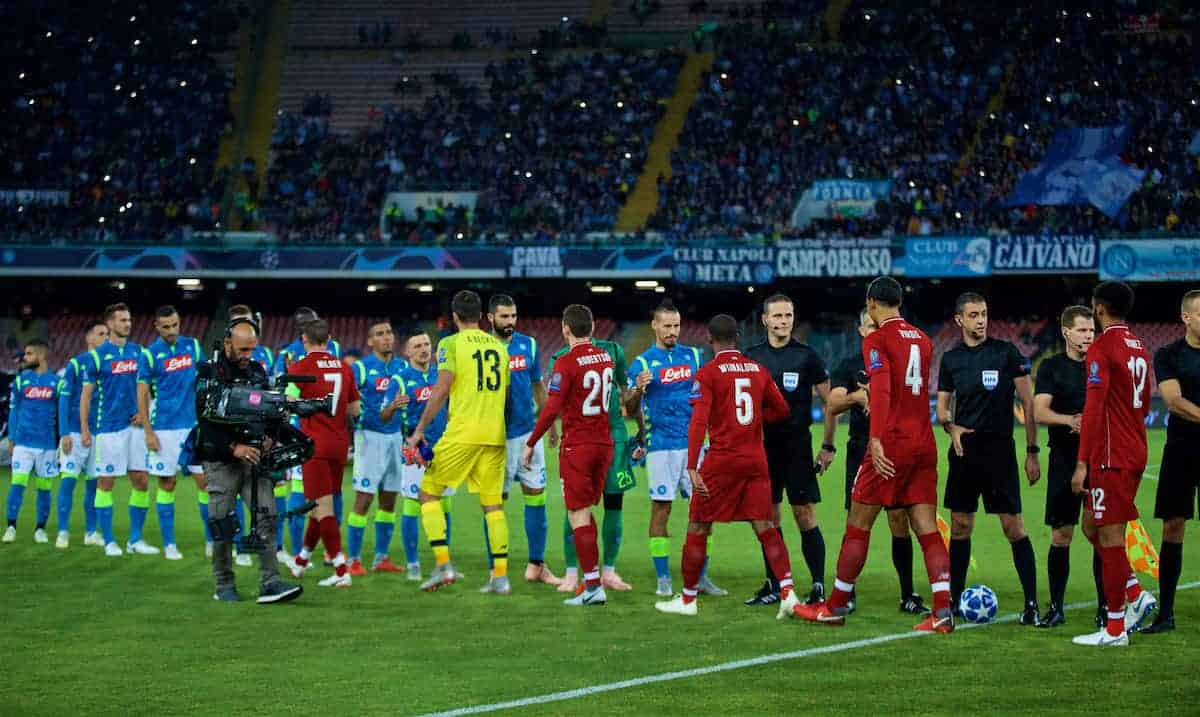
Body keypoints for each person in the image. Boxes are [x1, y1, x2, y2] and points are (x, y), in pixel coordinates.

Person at [794, 277, 954, 632]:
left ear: (871, 304)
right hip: (923, 443)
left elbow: (880, 391)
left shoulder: (877, 339)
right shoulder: (923, 340)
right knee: (926, 527)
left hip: (891, 442)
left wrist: (877, 439)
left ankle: (835, 606)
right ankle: (942, 611)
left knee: (859, 524)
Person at [655, 314, 797, 618]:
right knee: (766, 526)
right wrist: (756, 421)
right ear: (738, 338)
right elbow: (782, 409)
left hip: (722, 461)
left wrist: (692, 464)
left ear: (710, 339)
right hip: (755, 460)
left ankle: (688, 600)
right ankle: (788, 591)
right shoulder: (757, 370)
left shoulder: (708, 374)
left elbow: (699, 420)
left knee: (698, 526)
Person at [936, 292, 1042, 624]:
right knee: (960, 526)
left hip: (1000, 453)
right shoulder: (951, 360)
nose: (980, 320)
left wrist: (1032, 451)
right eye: (973, 315)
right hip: (964, 453)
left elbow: (1029, 403)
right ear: (959, 320)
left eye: (983, 314)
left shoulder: (1005, 353)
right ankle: (952, 601)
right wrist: (950, 428)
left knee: (1013, 527)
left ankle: (1031, 603)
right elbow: (941, 409)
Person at [824, 308, 930, 615]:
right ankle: (848, 593)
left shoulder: (899, 359)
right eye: (870, 326)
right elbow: (832, 403)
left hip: (895, 449)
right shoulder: (850, 364)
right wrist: (858, 397)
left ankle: (908, 592)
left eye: (878, 325)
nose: (875, 330)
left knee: (899, 522)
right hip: (861, 450)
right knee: (855, 523)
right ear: (860, 330)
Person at [407, 290, 512, 595]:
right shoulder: (499, 346)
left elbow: (441, 388)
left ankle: (443, 565)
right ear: (482, 316)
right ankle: (500, 577)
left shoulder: (450, 344)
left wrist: (420, 429)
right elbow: (504, 395)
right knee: (493, 506)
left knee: (428, 494)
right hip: (495, 435)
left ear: (454, 317)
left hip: (463, 431)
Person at [1071, 281, 1158, 646]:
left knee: (1107, 535)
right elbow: (1145, 403)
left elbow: (1093, 409)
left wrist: (1082, 464)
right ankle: (1136, 594)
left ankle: (1116, 628)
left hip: (1111, 455)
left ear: (1100, 309)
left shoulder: (1102, 347)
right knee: (1091, 524)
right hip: (1135, 448)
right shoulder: (1139, 346)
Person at [191, 319, 302, 604]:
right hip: (220, 460)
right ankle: (224, 584)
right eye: (242, 349)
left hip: (255, 458)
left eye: (251, 349)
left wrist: (270, 437)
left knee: (266, 516)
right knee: (222, 523)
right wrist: (233, 447)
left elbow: (268, 410)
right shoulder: (208, 371)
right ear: (227, 343)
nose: (247, 356)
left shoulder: (257, 370)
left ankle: (271, 582)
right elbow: (204, 419)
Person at [742, 294, 835, 606]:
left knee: (804, 514)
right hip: (761, 450)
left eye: (788, 315)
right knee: (768, 517)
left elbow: (830, 403)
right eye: (778, 316)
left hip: (797, 448)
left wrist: (828, 446)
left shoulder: (806, 356)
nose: (784, 321)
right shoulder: (751, 357)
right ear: (765, 320)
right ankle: (775, 585)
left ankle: (819, 585)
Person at [522, 304, 615, 606]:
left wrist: (531, 442)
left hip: (578, 446)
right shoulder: (606, 357)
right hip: (604, 443)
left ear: (565, 328)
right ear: (592, 328)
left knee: (577, 514)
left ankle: (592, 589)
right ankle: (593, 581)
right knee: (586, 512)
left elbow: (552, 407)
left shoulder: (565, 362)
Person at [630, 300, 724, 597]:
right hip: (660, 448)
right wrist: (637, 390)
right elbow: (630, 408)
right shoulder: (642, 364)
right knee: (662, 510)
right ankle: (663, 579)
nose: (672, 331)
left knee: (704, 511)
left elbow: (710, 396)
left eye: (676, 325)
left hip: (695, 446)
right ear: (654, 326)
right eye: (667, 325)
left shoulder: (695, 356)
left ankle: (701, 577)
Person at [551, 332, 641, 594]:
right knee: (577, 507)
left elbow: (626, 396)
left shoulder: (614, 351)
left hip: (615, 438)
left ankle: (608, 572)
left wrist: (639, 421)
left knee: (614, 505)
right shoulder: (560, 358)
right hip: (582, 440)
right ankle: (571, 572)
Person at [1033, 305, 1105, 628]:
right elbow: (1039, 412)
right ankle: (1057, 608)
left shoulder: (1100, 364)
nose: (1088, 336)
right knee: (1061, 535)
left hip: (1098, 461)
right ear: (1066, 332)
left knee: (1100, 533)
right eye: (1082, 330)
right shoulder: (1051, 367)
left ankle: (1106, 608)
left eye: (1091, 330)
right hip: (1062, 460)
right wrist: (1070, 421)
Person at [489, 294, 560, 585]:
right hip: (493, 439)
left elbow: (537, 386)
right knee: (495, 502)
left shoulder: (527, 344)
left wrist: (550, 424)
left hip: (527, 434)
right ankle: (497, 568)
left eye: (513, 316)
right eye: (504, 317)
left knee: (537, 496)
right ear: (489, 316)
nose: (510, 322)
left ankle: (536, 565)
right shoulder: (481, 347)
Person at [287, 320, 361, 587]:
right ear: (329, 339)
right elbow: (355, 410)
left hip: (313, 445)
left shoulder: (301, 367)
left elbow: (289, 402)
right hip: (339, 445)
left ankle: (341, 571)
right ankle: (301, 561)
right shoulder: (345, 367)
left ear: (305, 340)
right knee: (320, 507)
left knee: (323, 508)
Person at [80, 303, 156, 557]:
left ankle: (135, 539)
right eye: (122, 320)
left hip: (135, 428)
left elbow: (148, 390)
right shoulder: (98, 356)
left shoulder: (140, 353)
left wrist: (144, 414)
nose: (128, 324)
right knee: (105, 482)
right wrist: (84, 429)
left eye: (129, 319)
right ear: (110, 324)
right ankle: (110, 540)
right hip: (109, 429)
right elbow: (86, 397)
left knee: (141, 481)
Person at [1144, 289, 1200, 634]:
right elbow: (1174, 401)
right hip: (1181, 450)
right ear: (1187, 318)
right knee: (1172, 527)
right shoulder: (1168, 354)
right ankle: (1166, 614)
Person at [136, 305, 206, 561]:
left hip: (192, 426)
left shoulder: (193, 346)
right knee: (167, 483)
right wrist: (148, 432)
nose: (171, 330)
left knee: (205, 483)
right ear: (156, 326)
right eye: (165, 326)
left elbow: (206, 378)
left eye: (175, 325)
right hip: (163, 428)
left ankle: (212, 541)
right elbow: (142, 394)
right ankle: (169, 545)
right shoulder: (149, 354)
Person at [382, 329, 453, 581]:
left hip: (443, 448)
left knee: (444, 505)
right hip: (415, 450)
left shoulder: (442, 376)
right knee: (413, 506)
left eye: (426, 344)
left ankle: (443, 562)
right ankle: (413, 564)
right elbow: (384, 415)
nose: (424, 349)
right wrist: (392, 406)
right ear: (408, 352)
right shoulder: (400, 380)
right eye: (418, 346)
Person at [274, 306, 344, 552]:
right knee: (307, 489)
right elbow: (283, 393)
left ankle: (323, 550)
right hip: (303, 429)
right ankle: (301, 550)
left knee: (328, 491)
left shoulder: (331, 349)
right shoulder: (289, 354)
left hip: (320, 429)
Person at [346, 321, 408, 576]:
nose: (386, 338)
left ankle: (381, 557)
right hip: (369, 438)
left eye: (389, 333)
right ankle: (353, 559)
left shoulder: (402, 367)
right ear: (370, 341)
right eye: (380, 334)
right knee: (364, 498)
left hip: (396, 437)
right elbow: (348, 404)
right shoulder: (361, 369)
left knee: (389, 498)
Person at [229, 304, 285, 563]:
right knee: (237, 490)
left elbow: (269, 392)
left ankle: (275, 545)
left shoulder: (264, 356)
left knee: (267, 490)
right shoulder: (220, 363)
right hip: (234, 434)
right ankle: (240, 544)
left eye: (247, 321)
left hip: (260, 432)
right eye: (239, 322)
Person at [55, 320, 108, 549]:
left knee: (92, 485)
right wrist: (64, 433)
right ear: (89, 338)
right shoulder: (77, 364)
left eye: (107, 333)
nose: (106, 337)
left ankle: (90, 532)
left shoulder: (109, 365)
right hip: (75, 434)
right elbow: (65, 399)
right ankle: (63, 532)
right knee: (68, 482)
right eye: (101, 333)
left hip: (99, 434)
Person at [3, 340, 61, 545]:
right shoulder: (21, 381)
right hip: (23, 442)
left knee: (44, 488)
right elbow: (14, 410)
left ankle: (40, 529)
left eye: (28, 354)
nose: (24, 358)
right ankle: (11, 527)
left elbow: (61, 413)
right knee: (17, 484)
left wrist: (62, 438)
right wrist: (11, 438)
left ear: (41, 355)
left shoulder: (56, 381)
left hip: (47, 444)